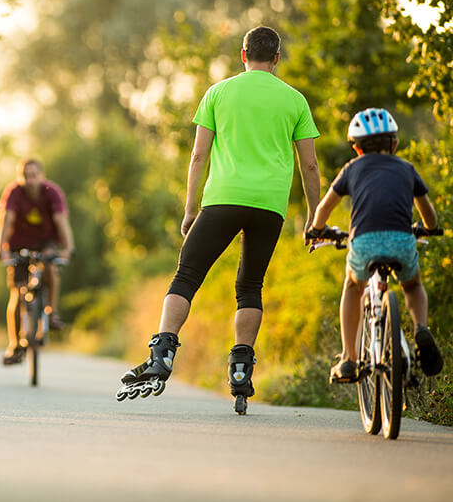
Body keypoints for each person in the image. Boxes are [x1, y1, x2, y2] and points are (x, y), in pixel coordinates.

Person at [118, 26, 321, 411]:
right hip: (270, 206)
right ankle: (242, 369)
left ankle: (162, 353)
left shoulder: (218, 92)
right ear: (277, 58)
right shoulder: (295, 100)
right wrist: (313, 216)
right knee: (250, 286)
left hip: (222, 199)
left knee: (187, 276)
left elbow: (198, 156)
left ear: (243, 55)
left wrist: (190, 209)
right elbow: (309, 165)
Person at [307, 107, 443, 382]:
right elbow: (429, 214)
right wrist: (428, 228)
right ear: (394, 144)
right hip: (402, 239)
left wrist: (317, 229)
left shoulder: (352, 169)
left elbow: (324, 208)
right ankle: (421, 328)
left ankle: (348, 358)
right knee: (413, 285)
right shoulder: (406, 169)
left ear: (357, 148)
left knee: (352, 287)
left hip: (364, 241)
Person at [0, 159, 74, 365]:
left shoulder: (52, 192)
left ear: (42, 175)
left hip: (46, 241)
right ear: (20, 177)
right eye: (25, 176)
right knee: (17, 293)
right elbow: (5, 220)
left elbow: (61, 222)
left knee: (49, 267)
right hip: (19, 244)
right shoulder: (13, 192)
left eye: (34, 175)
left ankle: (52, 314)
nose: (29, 180)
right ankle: (15, 345)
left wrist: (68, 249)